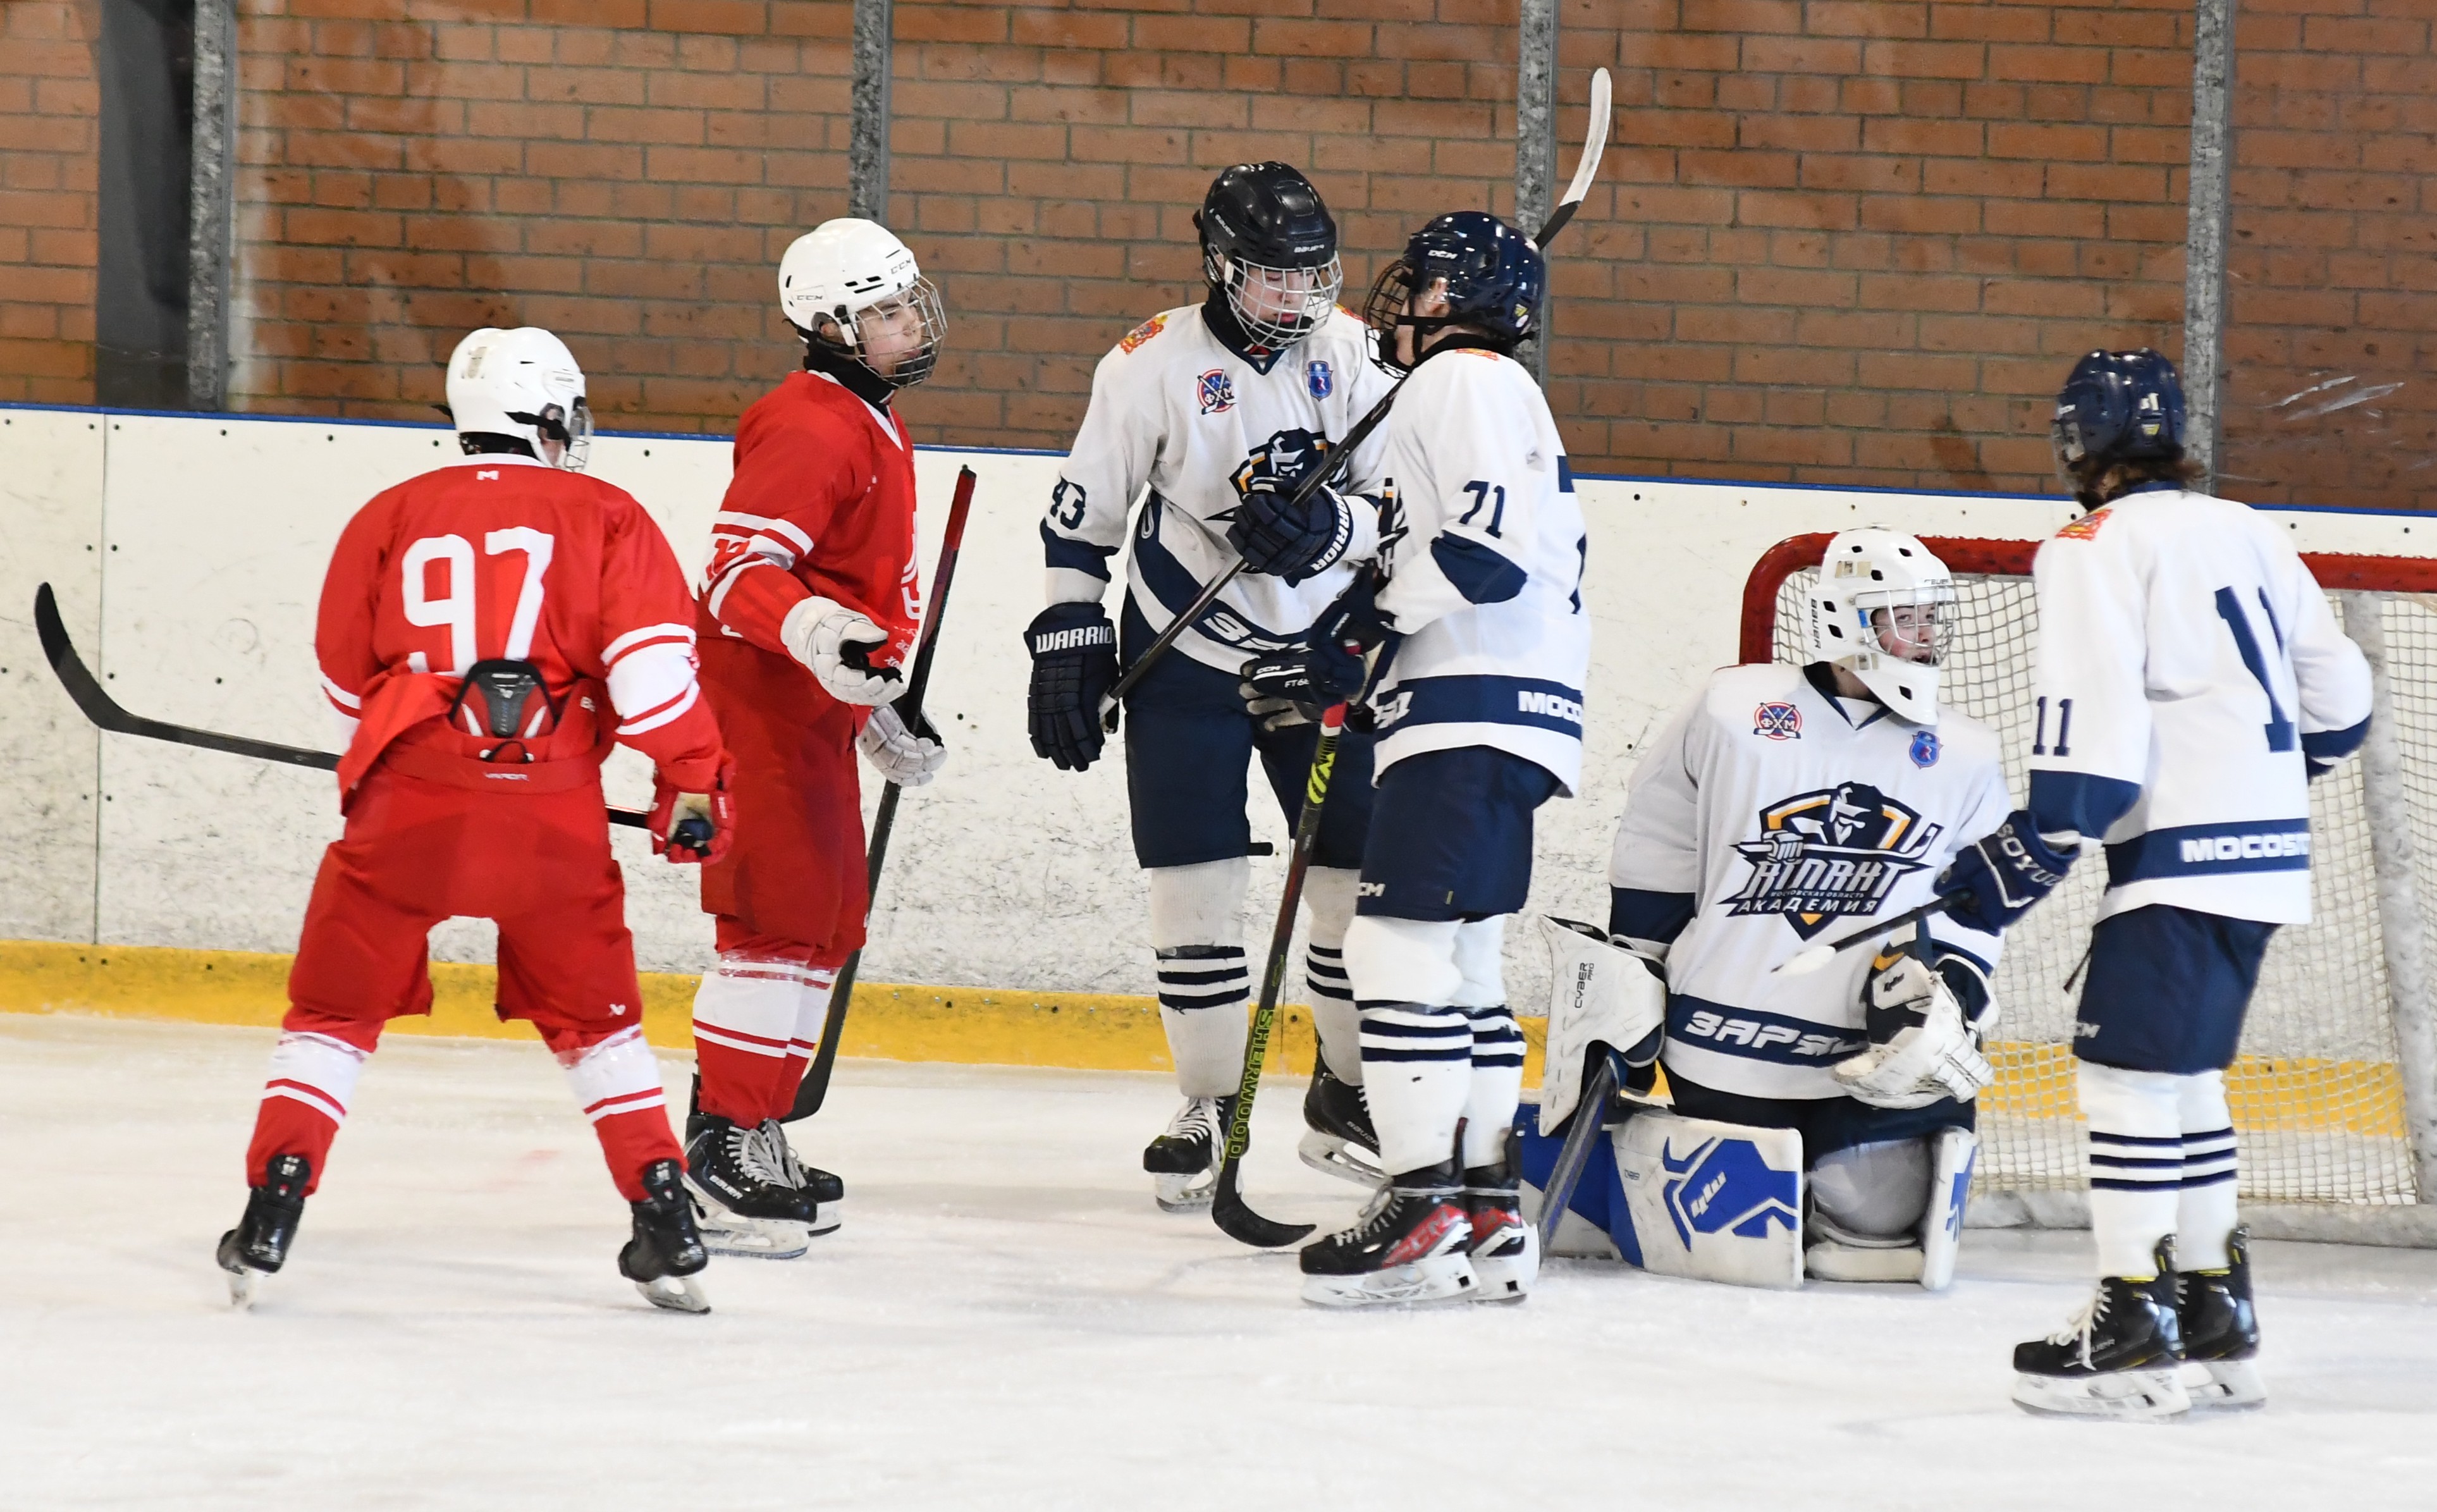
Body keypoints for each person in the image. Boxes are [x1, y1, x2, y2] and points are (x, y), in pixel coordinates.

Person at [216, 326, 734, 1314]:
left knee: (334, 1011)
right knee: (597, 1025)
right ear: (550, 415)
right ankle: (663, 1217)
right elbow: (657, 688)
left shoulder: (389, 512)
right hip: (551, 811)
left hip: (408, 804)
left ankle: (273, 1205)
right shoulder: (610, 513)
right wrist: (695, 783)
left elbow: (342, 689)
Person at [1937, 350, 2373, 1417]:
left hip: (2174, 855)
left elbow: (2088, 732)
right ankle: (2214, 1312)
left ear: (2074, 444)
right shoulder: (2247, 528)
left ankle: (2131, 1322)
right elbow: (2344, 702)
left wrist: (2027, 854)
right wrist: (2249, 778)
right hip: (2267, 854)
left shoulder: (2089, 546)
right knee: (2183, 1081)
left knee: (2124, 1081)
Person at [1024, 163, 1396, 1210]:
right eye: (1274, 274)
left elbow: (1406, 507)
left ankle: (1349, 1087)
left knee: (1348, 886)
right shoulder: (1150, 363)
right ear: (1220, 265)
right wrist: (1067, 632)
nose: (1298, 292)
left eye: (1313, 271)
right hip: (1182, 649)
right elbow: (1080, 516)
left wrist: (1334, 530)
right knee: (1193, 892)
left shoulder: (1360, 356)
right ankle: (1204, 1102)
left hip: (1321, 651)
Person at [1241, 210, 1590, 1306]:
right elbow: (1452, 545)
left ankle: (1419, 1204)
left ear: (1457, 300)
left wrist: (1361, 626)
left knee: (1389, 958)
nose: (1404, 303)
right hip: (1504, 714)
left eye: (1421, 285)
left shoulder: (1461, 383)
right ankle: (1486, 1212)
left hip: (1465, 707)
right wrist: (1364, 612)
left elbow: (1480, 558)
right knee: (1462, 972)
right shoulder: (1486, 395)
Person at [1545, 531, 2009, 1291]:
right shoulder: (1734, 708)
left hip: (1870, 1066)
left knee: (1875, 1231)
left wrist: (1950, 989)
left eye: (1932, 619)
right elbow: (1659, 836)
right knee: (1740, 1228)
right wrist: (1637, 959)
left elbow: (1973, 902)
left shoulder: (1963, 754)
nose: (1926, 638)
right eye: (1905, 618)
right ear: (1845, 622)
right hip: (1725, 1042)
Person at [683, 218, 950, 1257]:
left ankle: (760, 1122)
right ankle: (719, 1143)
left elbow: (855, 598)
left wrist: (877, 708)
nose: (906, 321)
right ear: (831, 324)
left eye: (904, 300)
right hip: (758, 720)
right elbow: (737, 574)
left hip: (813, 722)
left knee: (826, 920)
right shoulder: (807, 421)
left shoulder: (870, 422)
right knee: (776, 918)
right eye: (883, 310)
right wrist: (817, 633)